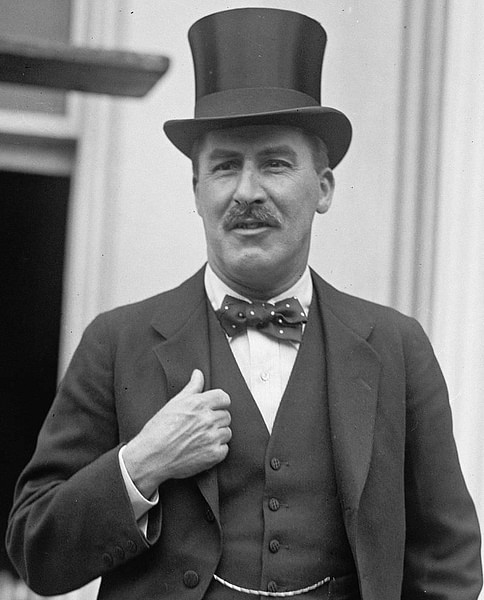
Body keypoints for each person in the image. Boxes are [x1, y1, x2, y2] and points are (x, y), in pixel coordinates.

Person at [5, 8, 482, 600]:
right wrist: (142, 463)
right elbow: (35, 549)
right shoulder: (116, 343)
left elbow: (448, 562)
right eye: (225, 166)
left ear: (323, 187)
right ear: (196, 190)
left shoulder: (397, 348)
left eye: (275, 163)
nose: (248, 191)